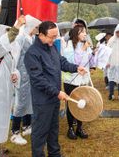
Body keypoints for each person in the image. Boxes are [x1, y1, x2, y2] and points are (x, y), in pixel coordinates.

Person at [24, 21, 87, 157]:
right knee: (40, 132)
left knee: (53, 129)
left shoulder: (52, 47)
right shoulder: (32, 53)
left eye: (56, 36)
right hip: (42, 101)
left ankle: (55, 154)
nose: (54, 39)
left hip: (54, 99)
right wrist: (57, 92)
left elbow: (62, 62)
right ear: (41, 35)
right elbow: (38, 79)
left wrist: (76, 68)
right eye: (51, 37)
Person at [0, 16, 25, 156]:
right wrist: (17, 26)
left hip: (5, 91)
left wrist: (15, 75)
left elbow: (14, 68)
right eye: (5, 32)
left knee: (1, 120)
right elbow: (2, 45)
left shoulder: (10, 50)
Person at [11, 15, 41, 146]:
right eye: (36, 27)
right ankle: (15, 132)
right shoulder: (21, 38)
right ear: (30, 26)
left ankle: (27, 126)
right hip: (22, 74)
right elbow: (15, 55)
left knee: (29, 100)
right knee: (21, 102)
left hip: (31, 74)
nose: (37, 29)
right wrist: (13, 71)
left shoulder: (33, 38)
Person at [63, 25, 94, 140]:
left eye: (85, 32)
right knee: (72, 104)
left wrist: (93, 55)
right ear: (76, 34)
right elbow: (73, 62)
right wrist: (83, 49)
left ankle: (79, 128)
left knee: (83, 103)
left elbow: (90, 62)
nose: (85, 34)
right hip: (71, 81)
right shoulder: (69, 46)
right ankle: (70, 128)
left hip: (83, 80)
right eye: (83, 32)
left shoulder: (85, 45)